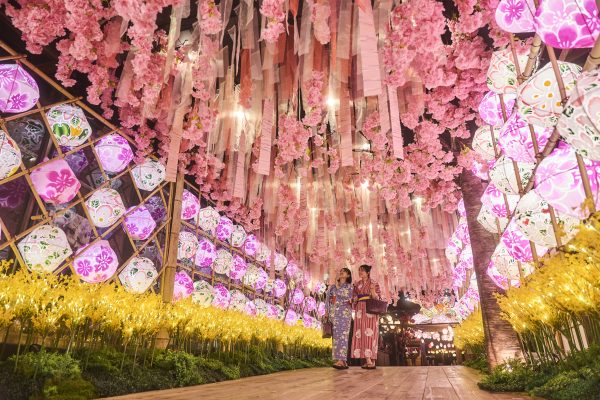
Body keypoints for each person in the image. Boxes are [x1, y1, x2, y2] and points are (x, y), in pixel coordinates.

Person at [351, 264, 381, 369]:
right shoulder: (357, 284)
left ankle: (370, 359)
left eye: (362, 271)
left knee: (371, 333)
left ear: (368, 272)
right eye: (359, 271)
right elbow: (354, 296)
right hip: (360, 308)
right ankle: (368, 360)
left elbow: (377, 298)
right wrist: (354, 299)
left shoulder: (373, 283)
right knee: (361, 332)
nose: (360, 273)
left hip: (370, 309)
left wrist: (372, 290)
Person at [325, 267, 353, 369]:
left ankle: (342, 360)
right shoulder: (332, 287)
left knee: (343, 336)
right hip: (334, 313)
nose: (341, 272)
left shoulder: (349, 287)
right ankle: (341, 360)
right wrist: (327, 312)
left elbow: (347, 296)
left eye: (344, 272)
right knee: (336, 337)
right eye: (340, 271)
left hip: (345, 313)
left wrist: (338, 287)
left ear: (348, 276)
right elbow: (327, 299)